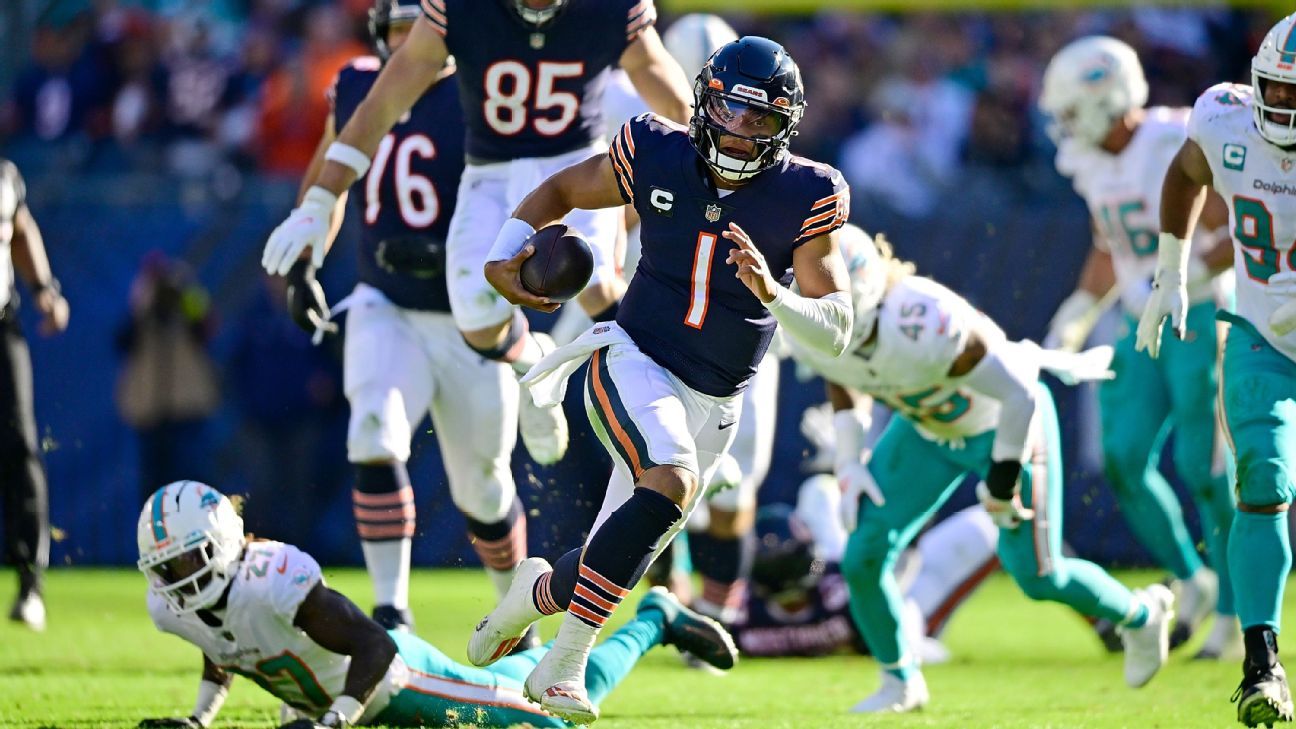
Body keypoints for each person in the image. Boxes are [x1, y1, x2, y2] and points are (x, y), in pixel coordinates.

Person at [467, 37, 854, 724]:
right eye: (729, 110)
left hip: (719, 396)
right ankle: (563, 666)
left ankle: (536, 595)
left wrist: (776, 294)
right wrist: (503, 257)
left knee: (627, 544)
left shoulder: (809, 192)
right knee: (669, 479)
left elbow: (837, 327)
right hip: (632, 357)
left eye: (759, 119)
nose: (739, 130)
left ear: (785, 124)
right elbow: (561, 188)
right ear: (704, 102)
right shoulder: (654, 147)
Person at [260, 0, 694, 469]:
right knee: (474, 315)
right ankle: (536, 363)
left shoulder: (608, 9)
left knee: (596, 284)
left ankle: (680, 417)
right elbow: (383, 103)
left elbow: (667, 92)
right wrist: (322, 201)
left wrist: (698, 180)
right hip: (490, 171)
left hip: (573, 161)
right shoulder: (459, 9)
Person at [791, 225, 1174, 713]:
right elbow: (841, 372)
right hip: (927, 429)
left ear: (859, 290)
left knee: (1038, 575)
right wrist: (849, 459)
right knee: (864, 554)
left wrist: (1001, 482)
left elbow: (1020, 393)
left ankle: (1142, 614)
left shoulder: (922, 319)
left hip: (1003, 423)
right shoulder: (822, 322)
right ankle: (900, 682)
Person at [272, 0, 531, 635]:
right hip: (385, 301)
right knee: (372, 432)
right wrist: (309, 256)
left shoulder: (484, 90)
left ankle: (518, 614)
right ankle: (391, 612)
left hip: (470, 316)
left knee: (485, 490)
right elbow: (327, 180)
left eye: (414, 29)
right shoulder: (359, 85)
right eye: (394, 29)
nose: (405, 43)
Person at [134, 481, 736, 729]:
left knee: (544, 719)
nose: (174, 580)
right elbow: (225, 645)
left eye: (183, 562)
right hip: (354, 701)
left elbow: (377, 645)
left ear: (220, 545)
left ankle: (655, 618)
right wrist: (199, 718)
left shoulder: (275, 579)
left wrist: (335, 720)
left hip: (398, 680)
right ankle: (644, 621)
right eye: (164, 569)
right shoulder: (171, 608)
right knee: (521, 679)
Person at [1039, 35, 1237, 657]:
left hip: (1202, 315)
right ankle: (1192, 575)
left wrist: (1191, 273)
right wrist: (1078, 308)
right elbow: (1110, 244)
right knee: (1123, 457)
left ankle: (1235, 614)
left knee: (1208, 470)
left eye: (1073, 110)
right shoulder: (1096, 161)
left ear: (1107, 97)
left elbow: (1243, 222)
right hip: (1137, 319)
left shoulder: (1167, 143)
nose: (1067, 126)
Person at [1136, 11, 1296, 726]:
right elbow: (1186, 169)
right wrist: (1170, 273)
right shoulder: (1225, 120)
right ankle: (1262, 662)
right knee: (1261, 480)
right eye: (1277, 90)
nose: (1283, 107)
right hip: (1263, 333)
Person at [734, 475, 998, 661]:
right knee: (983, 530)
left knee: (819, 492)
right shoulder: (840, 593)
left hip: (883, 599)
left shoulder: (743, 614)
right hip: (898, 615)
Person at [0, 159, 68, 632]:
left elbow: (20, 224)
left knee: (22, 444)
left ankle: (31, 582)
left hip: (2, 321)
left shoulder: (6, 175)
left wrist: (43, 286)